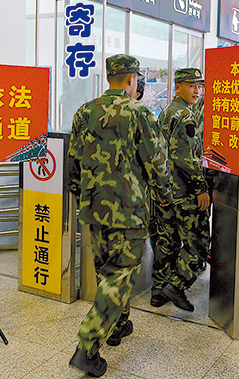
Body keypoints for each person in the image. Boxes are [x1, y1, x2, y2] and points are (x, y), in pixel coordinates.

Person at [67, 54, 172, 377]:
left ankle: (117, 325)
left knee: (107, 271)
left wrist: (82, 197)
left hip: (94, 209)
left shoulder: (85, 112)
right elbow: (156, 162)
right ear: (131, 79)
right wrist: (166, 197)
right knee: (120, 275)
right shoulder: (139, 113)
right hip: (129, 211)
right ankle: (87, 346)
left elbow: (73, 163)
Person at [151, 68, 210, 313]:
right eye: (191, 86)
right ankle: (176, 286)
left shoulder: (166, 111)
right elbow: (186, 158)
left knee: (167, 241)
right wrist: (201, 187)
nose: (197, 91)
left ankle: (157, 292)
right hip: (185, 192)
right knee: (199, 244)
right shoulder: (186, 116)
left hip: (166, 190)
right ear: (178, 87)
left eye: (199, 86)